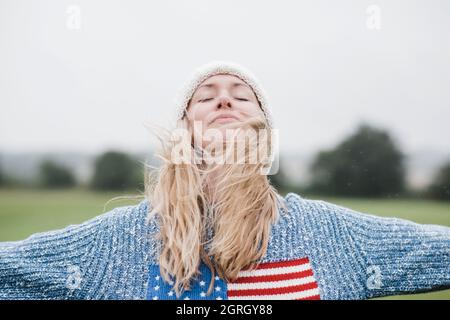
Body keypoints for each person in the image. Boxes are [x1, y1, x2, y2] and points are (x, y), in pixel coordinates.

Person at [0, 61, 449, 300]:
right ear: (184, 130)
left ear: (265, 132)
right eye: (205, 97)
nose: (223, 102)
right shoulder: (116, 241)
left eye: (241, 96)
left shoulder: (333, 234)